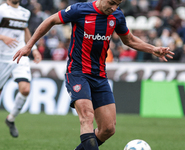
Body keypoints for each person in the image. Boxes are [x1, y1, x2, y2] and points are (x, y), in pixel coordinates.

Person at [13, 0, 174, 149]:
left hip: (99, 76)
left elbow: (129, 40)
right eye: (111, 3)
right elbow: (50, 21)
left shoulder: (117, 15)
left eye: (117, 4)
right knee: (87, 116)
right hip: (77, 73)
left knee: (108, 128)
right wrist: (29, 46)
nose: (114, 8)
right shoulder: (80, 10)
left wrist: (153, 49)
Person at [0, 0, 42, 138]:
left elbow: (25, 31)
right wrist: (3, 37)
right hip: (2, 57)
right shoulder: (2, 10)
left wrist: (34, 49)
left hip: (19, 54)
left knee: (25, 89)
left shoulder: (25, 12)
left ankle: (10, 119)